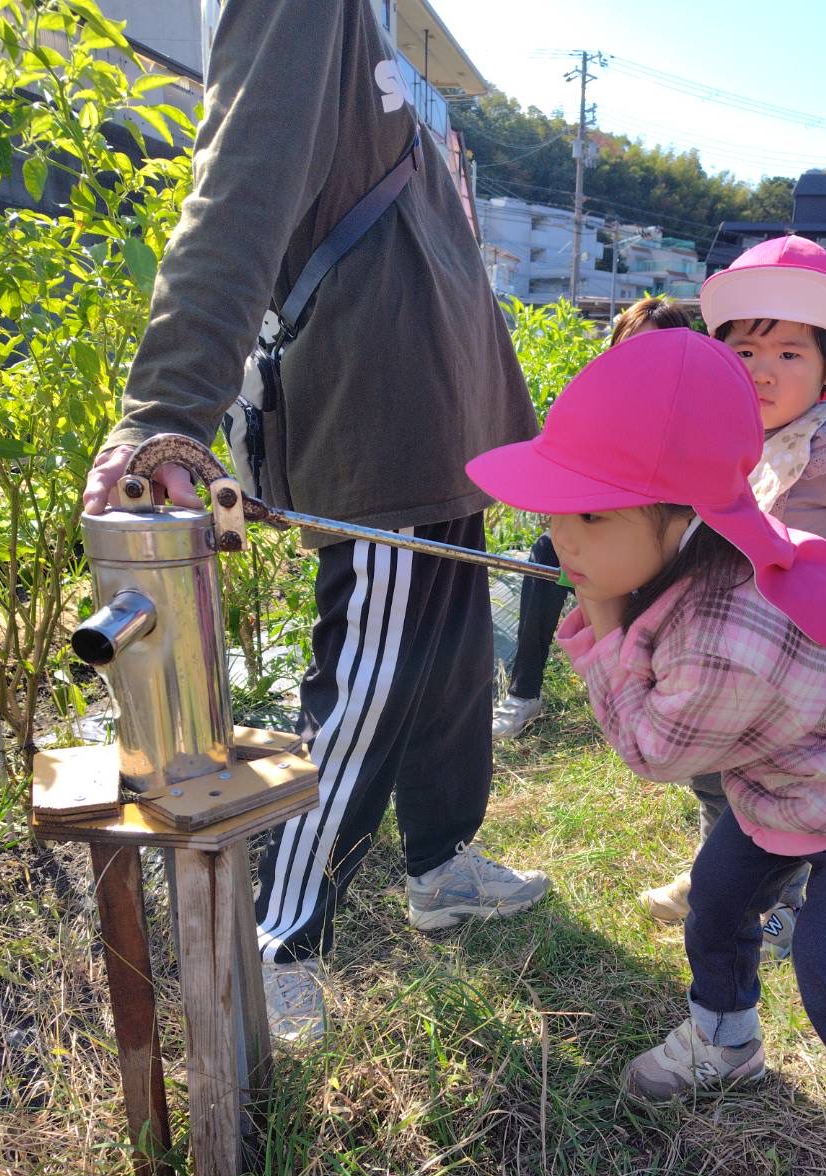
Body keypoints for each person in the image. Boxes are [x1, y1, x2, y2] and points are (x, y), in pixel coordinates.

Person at [82, 0, 549, 1045]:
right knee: (370, 682)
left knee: (450, 661)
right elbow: (241, 184)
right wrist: (165, 407)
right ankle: (279, 935)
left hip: (439, 407)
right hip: (383, 413)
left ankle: (438, 864)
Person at [466, 329, 826, 1176]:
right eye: (558, 512)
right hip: (804, 759)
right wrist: (614, 607)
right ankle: (726, 1035)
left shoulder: (721, 633)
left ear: (681, 517)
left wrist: (596, 623)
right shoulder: (697, 556)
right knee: (717, 895)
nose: (561, 540)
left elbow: (654, 749)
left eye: (593, 518)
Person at [640, 236, 826, 960]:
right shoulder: (716, 436)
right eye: (745, 351)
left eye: (790, 353)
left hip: (802, 652)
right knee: (711, 774)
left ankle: (779, 902)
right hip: (725, 647)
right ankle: (713, 878)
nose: (763, 371)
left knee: (778, 786)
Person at [492, 296, 695, 742]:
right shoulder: (603, 412)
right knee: (548, 552)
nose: (641, 365)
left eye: (655, 352)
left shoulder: (692, 413)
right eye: (629, 351)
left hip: (671, 540)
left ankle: (632, 682)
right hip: (613, 537)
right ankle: (525, 691)